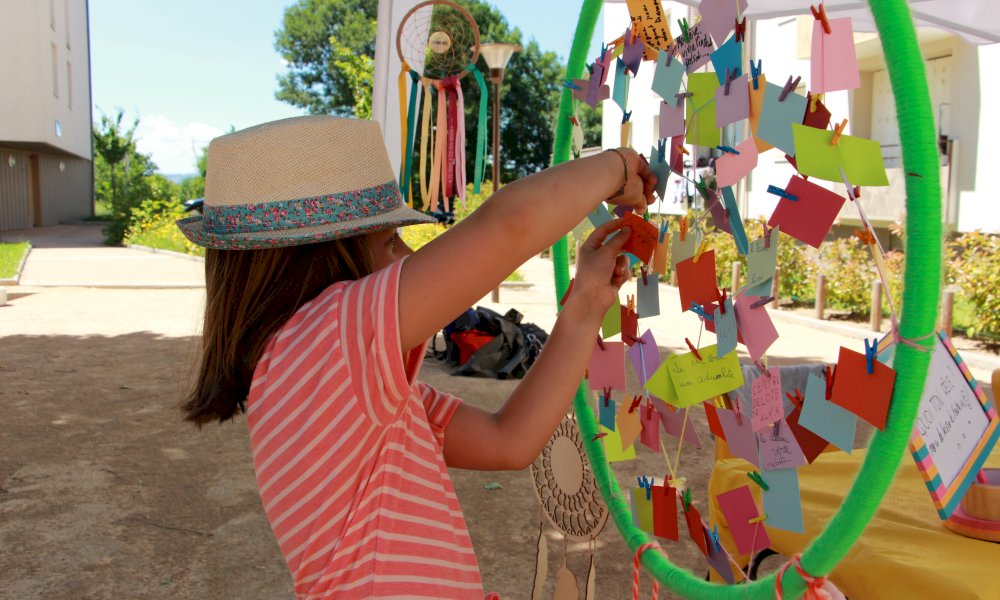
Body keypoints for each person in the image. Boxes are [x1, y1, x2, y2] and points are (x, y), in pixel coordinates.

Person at [177, 115, 655, 599]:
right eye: (388, 240)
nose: (407, 255)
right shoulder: (327, 339)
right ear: (319, 259)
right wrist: (620, 167)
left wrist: (586, 304)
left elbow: (508, 441)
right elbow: (514, 225)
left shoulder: (340, 385)